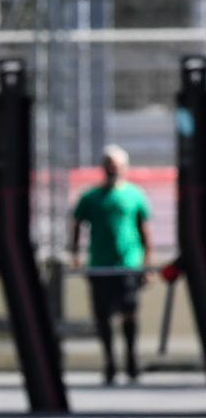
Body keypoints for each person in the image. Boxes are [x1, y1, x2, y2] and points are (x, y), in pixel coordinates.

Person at [71, 144, 155, 384]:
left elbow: (144, 230)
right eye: (109, 165)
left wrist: (147, 264)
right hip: (100, 265)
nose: (112, 169)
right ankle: (110, 363)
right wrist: (75, 254)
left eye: (117, 165)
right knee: (103, 316)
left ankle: (131, 361)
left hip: (128, 265)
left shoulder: (135, 195)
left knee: (129, 312)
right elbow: (76, 224)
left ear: (125, 168)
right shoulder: (90, 197)